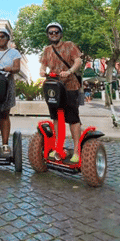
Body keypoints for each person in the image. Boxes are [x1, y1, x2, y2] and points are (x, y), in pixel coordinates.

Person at [39, 22, 83, 163]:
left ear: (60, 34)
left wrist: (69, 71)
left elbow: (78, 61)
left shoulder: (70, 45)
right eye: (51, 32)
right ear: (48, 35)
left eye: (56, 32)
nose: (53, 34)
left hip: (70, 85)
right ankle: (59, 147)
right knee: (57, 118)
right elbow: (43, 64)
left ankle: (77, 150)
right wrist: (41, 71)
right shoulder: (47, 49)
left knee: (72, 118)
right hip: (55, 87)